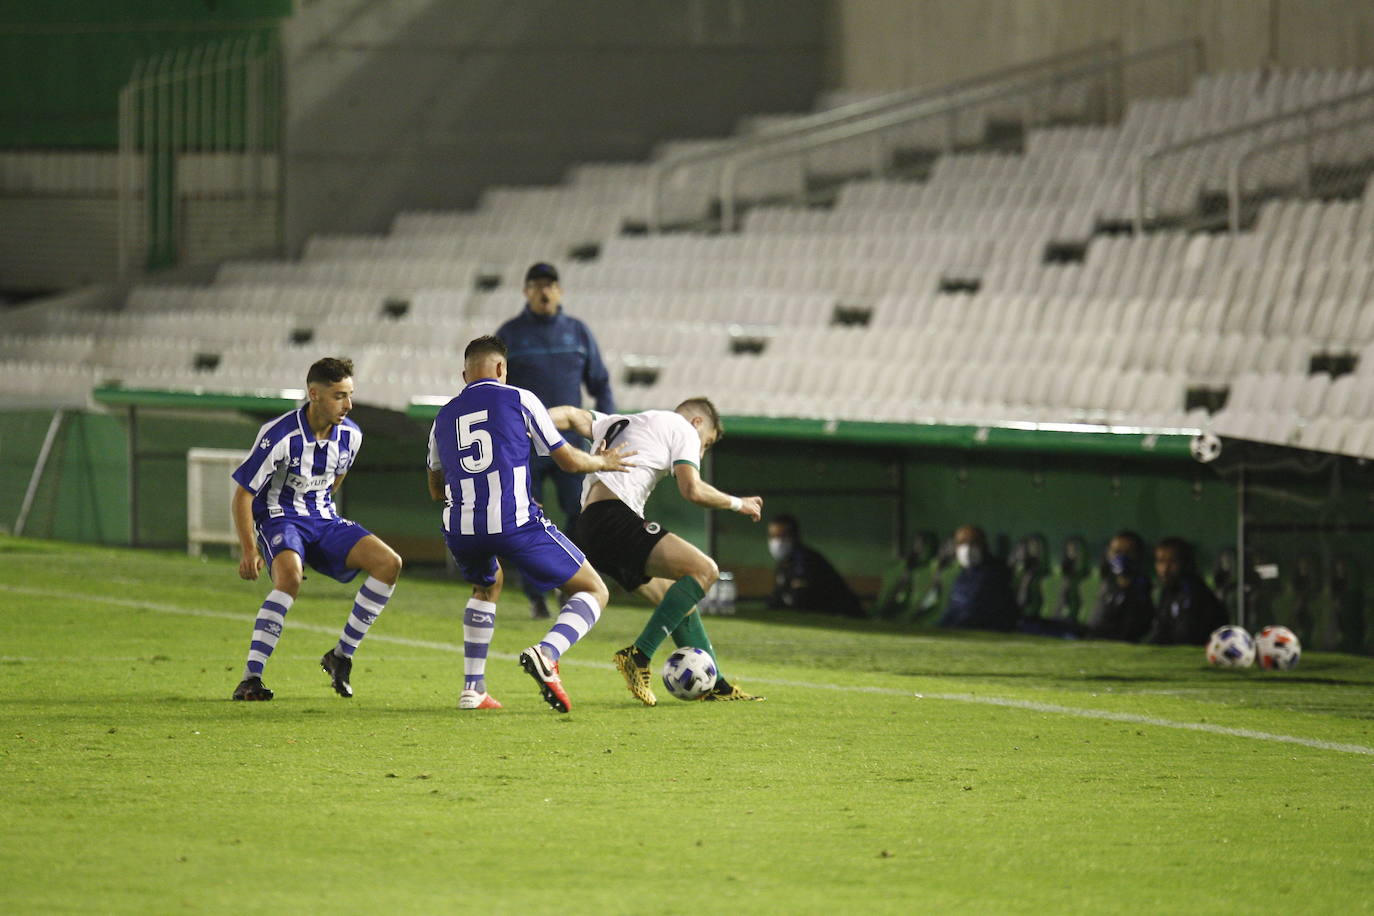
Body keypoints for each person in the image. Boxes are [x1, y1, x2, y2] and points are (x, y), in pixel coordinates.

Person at [426, 335, 634, 712]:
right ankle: (547, 653)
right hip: (514, 523)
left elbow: (435, 488)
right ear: (502, 368)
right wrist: (603, 462)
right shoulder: (520, 398)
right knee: (593, 589)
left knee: (487, 584)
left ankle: (473, 689)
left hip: (460, 529)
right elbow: (568, 460)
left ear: (464, 374)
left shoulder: (443, 416)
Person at [548, 397, 765, 704]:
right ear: (698, 423)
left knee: (675, 600)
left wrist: (526, 421)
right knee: (705, 570)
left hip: (591, 525)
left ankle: (716, 683)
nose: (701, 450)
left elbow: (569, 415)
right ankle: (638, 656)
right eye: (707, 444)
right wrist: (738, 503)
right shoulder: (684, 429)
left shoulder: (617, 420)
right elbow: (693, 489)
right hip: (614, 517)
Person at [229, 357, 403, 702]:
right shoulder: (279, 434)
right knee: (290, 578)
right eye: (339, 396)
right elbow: (243, 495)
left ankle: (341, 656)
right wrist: (249, 549)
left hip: (324, 519)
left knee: (390, 563)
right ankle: (251, 677)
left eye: (350, 395)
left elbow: (334, 482)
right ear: (314, 394)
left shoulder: (352, 435)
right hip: (280, 517)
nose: (348, 405)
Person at [495, 262, 615, 620]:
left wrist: (606, 428)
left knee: (579, 515)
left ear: (559, 290)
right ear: (526, 292)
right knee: (525, 517)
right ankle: (536, 593)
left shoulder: (577, 333)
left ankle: (571, 585)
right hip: (524, 445)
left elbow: (601, 384)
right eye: (536, 285)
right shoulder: (510, 334)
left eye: (550, 285)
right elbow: (495, 389)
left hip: (568, 445)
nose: (544, 292)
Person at [766, 513, 864, 617]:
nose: (777, 542)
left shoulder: (806, 560)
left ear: (794, 536)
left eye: (783, 536)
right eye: (773, 536)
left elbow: (801, 600)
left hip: (841, 616)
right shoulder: (783, 564)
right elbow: (777, 598)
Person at [1145, 536, 1228, 645]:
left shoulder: (1196, 592)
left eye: (1172, 562)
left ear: (1185, 564)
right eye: (1161, 561)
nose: (1165, 569)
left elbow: (1188, 637)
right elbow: (1160, 632)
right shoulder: (1167, 591)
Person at [938, 524, 1018, 631]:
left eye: (973, 544)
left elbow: (976, 609)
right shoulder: (963, 574)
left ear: (983, 546)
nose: (967, 550)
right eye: (962, 545)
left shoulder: (994, 572)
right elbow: (954, 608)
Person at [1087, 531, 1154, 642]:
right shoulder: (1108, 585)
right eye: (1117, 552)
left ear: (1138, 555)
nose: (1122, 557)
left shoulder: (1144, 587)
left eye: (1128, 552)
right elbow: (1096, 623)